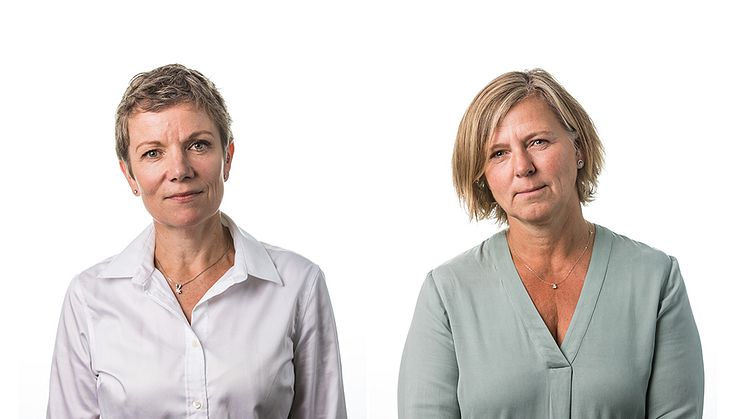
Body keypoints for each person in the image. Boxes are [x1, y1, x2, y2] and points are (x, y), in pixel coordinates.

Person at [398, 69, 704, 418]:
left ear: (579, 149)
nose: (523, 167)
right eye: (499, 153)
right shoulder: (447, 293)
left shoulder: (656, 279)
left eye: (537, 142)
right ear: (482, 176)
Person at [47, 64, 347, 418]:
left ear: (227, 158)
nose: (179, 170)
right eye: (153, 153)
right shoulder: (89, 298)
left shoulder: (298, 284)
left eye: (198, 145)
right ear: (129, 175)